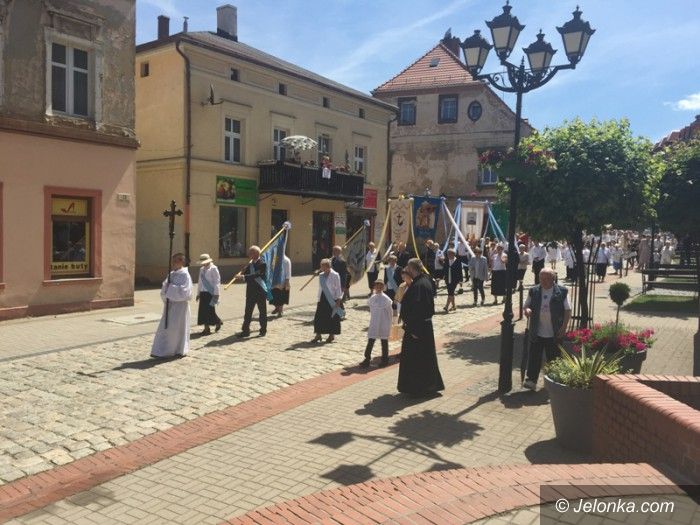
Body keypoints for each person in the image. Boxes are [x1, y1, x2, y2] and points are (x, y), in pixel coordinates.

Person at [397, 258, 444, 397]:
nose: (406, 270)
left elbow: (419, 309)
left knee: (416, 359)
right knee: (425, 357)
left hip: (417, 327)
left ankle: (417, 388)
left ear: (412, 269)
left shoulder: (419, 285)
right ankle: (427, 386)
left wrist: (414, 329)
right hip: (422, 326)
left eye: (408, 268)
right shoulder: (425, 280)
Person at [523, 268, 572, 390]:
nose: (543, 281)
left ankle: (553, 381)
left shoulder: (562, 291)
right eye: (541, 278)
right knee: (534, 357)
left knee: (554, 358)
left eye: (546, 279)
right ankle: (531, 380)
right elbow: (526, 305)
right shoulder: (534, 291)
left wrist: (564, 327)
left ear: (553, 279)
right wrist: (527, 310)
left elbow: (568, 310)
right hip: (537, 331)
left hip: (554, 331)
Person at [151, 253, 193, 358]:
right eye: (172, 261)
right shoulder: (171, 274)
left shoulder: (185, 275)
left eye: (175, 261)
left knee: (177, 329)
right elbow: (165, 287)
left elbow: (186, 292)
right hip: (170, 306)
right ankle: (162, 350)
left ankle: (178, 349)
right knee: (166, 328)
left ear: (181, 262)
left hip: (180, 307)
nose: (173, 263)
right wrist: (166, 289)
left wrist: (171, 288)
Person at [235, 245, 268, 337]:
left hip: (260, 291)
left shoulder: (262, 264)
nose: (249, 254)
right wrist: (242, 272)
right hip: (250, 292)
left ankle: (263, 330)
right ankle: (245, 331)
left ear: (256, 253)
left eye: (250, 252)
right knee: (248, 312)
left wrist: (243, 277)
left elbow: (256, 275)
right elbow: (246, 275)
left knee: (262, 312)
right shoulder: (250, 264)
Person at [360, 278, 393, 368]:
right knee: (371, 340)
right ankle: (367, 359)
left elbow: (390, 312)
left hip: (384, 322)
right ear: (374, 287)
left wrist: (390, 323)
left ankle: (385, 359)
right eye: (377, 286)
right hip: (374, 322)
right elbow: (371, 309)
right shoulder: (372, 298)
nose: (378, 287)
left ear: (383, 287)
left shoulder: (386, 299)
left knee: (384, 341)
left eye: (380, 286)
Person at [313, 259, 344, 343]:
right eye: (321, 266)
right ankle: (318, 334)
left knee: (332, 317)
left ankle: (331, 335)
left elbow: (338, 288)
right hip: (322, 298)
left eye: (322, 266)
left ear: (328, 266)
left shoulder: (335, 275)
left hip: (332, 298)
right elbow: (321, 288)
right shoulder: (321, 275)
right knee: (319, 317)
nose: (321, 268)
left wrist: (338, 300)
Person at [195, 253, 222, 335]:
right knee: (203, 311)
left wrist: (216, 294)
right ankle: (207, 328)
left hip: (211, 293)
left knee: (210, 311)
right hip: (203, 292)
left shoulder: (213, 268)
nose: (203, 264)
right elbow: (200, 282)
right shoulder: (201, 269)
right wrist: (198, 293)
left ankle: (216, 322)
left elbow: (217, 282)